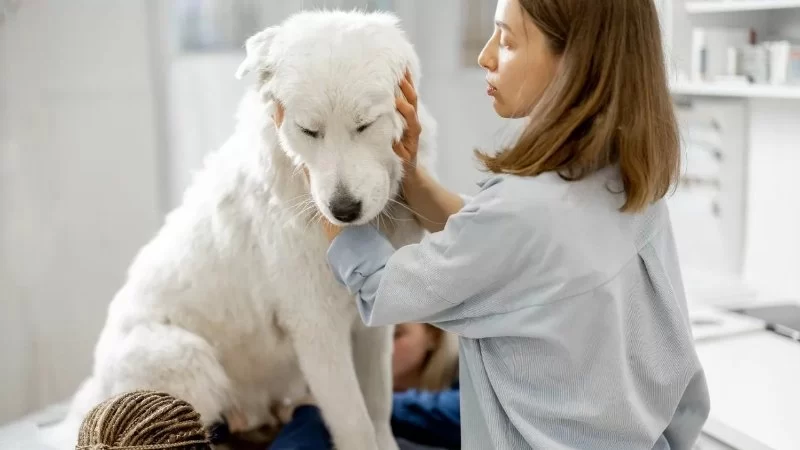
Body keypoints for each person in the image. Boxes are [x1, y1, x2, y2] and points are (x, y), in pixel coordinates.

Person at [314, 0, 712, 449]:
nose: (485, 56)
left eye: (506, 41)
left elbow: (380, 286)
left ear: (574, 62)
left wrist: (326, 174)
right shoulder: (625, 183)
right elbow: (501, 247)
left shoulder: (524, 213)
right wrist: (413, 176)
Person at [269, 323, 460, 449]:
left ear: (433, 336)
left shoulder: (466, 384)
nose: (378, 347)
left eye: (395, 334)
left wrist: (334, 404)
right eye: (362, 338)